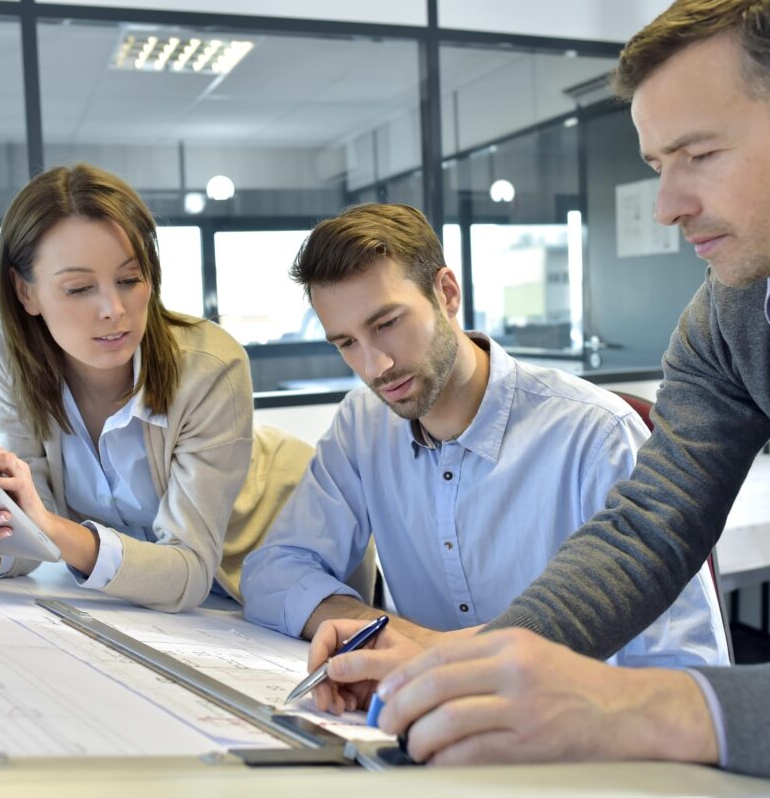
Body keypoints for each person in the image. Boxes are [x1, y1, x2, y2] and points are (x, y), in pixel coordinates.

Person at [320, 0, 770, 790]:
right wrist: (470, 665)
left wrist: (627, 705)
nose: (666, 206)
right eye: (658, 165)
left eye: (701, 154)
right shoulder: (738, 309)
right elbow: (649, 524)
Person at [240, 203, 729, 713]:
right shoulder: (363, 426)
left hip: (578, 736)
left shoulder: (596, 435)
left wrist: (436, 653)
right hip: (429, 726)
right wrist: (394, 636)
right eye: (346, 343)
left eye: (386, 324)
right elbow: (273, 572)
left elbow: (685, 667)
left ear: (447, 294)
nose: (375, 366)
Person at [0, 163, 371, 612]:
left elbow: (188, 573)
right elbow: (23, 542)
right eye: (80, 288)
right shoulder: (12, 354)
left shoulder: (210, 364)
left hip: (271, 562)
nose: (114, 309)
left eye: (129, 279)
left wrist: (46, 527)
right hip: (149, 592)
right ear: (25, 291)